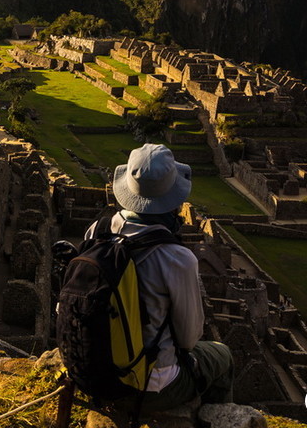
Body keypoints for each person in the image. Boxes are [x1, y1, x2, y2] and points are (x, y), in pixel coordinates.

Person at [84, 143, 233, 410]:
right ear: (173, 200)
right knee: (222, 356)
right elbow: (188, 339)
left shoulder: (97, 231)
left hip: (91, 371)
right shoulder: (176, 258)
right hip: (147, 384)